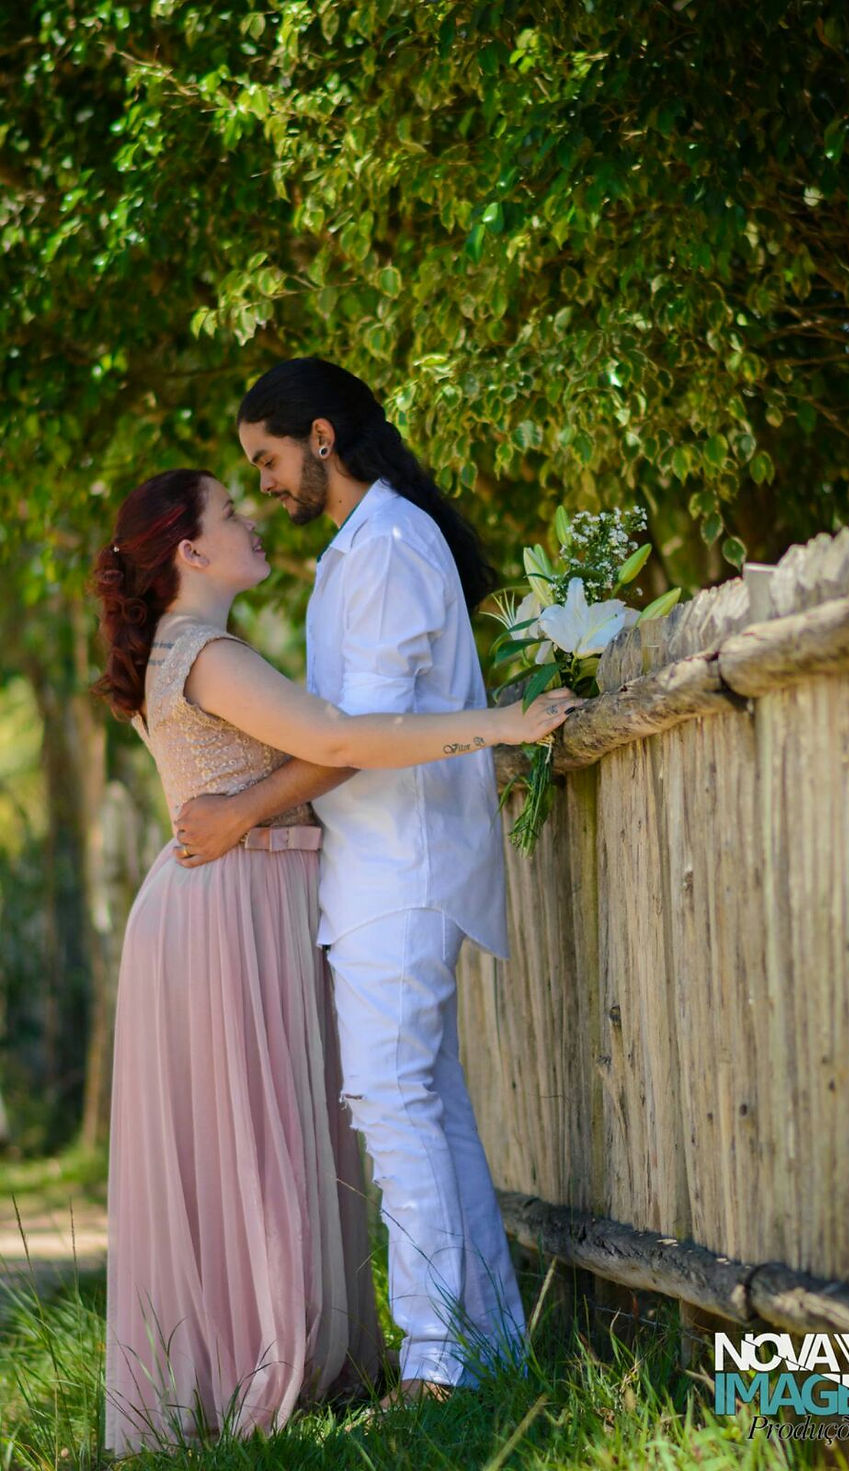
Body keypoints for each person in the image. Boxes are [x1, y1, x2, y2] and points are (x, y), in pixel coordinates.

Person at [95, 466, 575, 1453]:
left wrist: (246, 807)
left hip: (229, 896)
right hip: (233, 905)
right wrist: (495, 724)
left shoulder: (185, 648)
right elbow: (339, 738)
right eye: (231, 512)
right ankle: (267, 1362)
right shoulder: (207, 654)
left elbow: (315, 753)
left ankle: (250, 1361)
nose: (252, 519)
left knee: (253, 1138)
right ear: (190, 550)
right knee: (259, 1138)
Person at [173, 359, 541, 1403]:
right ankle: (489, 1351)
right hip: (384, 861)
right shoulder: (362, 545)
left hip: (400, 860)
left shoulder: (383, 546)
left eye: (268, 458)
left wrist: (243, 808)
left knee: (392, 1102)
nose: (264, 484)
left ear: (322, 438)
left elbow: (357, 739)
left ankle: (437, 1364)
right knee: (431, 1107)